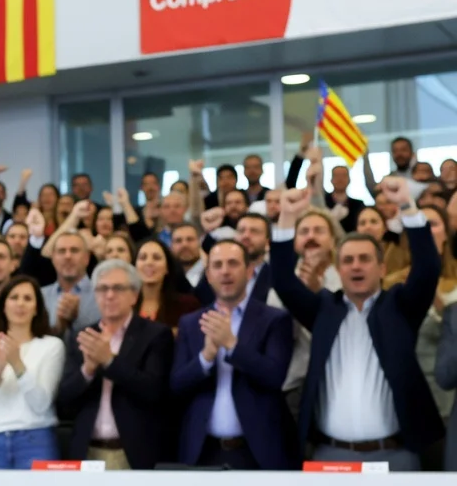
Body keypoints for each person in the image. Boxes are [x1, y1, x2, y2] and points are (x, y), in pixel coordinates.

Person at [272, 180, 441, 470]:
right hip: (329, 455)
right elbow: (284, 282)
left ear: (382, 268)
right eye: (348, 260)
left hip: (396, 455)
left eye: (365, 259)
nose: (356, 266)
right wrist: (287, 218)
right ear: (338, 269)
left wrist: (407, 206)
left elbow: (427, 269)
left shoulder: (401, 307)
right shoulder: (324, 309)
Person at [171, 241, 296, 470]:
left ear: (249, 272)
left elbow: (274, 376)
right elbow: (176, 384)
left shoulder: (274, 319)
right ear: (208, 275)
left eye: (233, 264)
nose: (225, 271)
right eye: (217, 265)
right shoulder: (190, 323)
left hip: (256, 451)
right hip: (203, 450)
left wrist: (231, 345)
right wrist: (206, 356)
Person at [58, 261, 174, 470]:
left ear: (134, 295)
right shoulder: (82, 336)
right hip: (87, 452)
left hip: (133, 453)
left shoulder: (155, 335)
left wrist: (109, 361)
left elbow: (154, 390)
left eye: (118, 288)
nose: (109, 295)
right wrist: (88, 370)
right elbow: (64, 399)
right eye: (103, 289)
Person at [0, 276, 65, 469]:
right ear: (3, 305)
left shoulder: (51, 346)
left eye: (28, 298)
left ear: (37, 307)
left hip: (36, 438)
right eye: (14, 297)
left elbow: (41, 404)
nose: (20, 303)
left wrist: (17, 363)